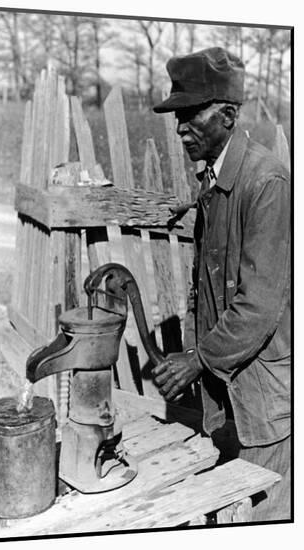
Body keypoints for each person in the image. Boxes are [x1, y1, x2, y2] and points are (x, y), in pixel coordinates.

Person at [152, 47, 291, 522]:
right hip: (227, 392)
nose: (180, 128)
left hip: (264, 400)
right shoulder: (214, 179)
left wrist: (197, 359)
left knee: (263, 518)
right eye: (177, 116)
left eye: (191, 114)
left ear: (228, 115)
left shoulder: (266, 181)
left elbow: (258, 306)